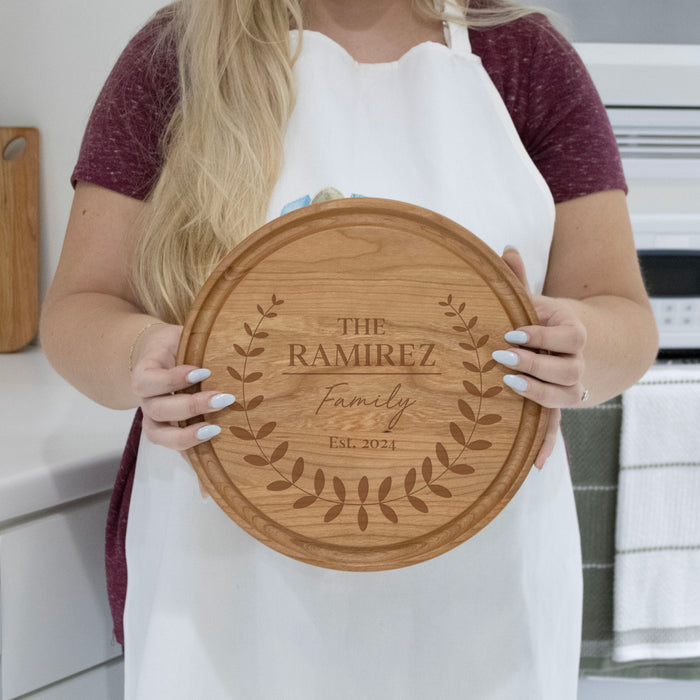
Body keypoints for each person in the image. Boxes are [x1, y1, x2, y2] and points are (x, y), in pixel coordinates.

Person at [40, 0, 658, 697]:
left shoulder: (523, 56)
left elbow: (623, 318)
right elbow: (80, 308)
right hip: (224, 582)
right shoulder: (174, 54)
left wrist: (576, 351)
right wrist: (139, 354)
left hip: (481, 583)